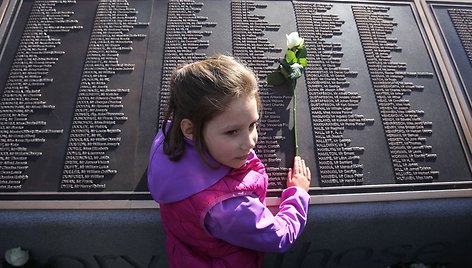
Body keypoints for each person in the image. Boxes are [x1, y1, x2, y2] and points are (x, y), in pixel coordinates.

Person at [147, 55, 311, 268]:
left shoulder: (168, 137)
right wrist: (298, 194)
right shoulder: (228, 209)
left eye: (252, 125)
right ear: (191, 130)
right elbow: (279, 236)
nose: (250, 142)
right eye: (232, 132)